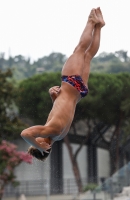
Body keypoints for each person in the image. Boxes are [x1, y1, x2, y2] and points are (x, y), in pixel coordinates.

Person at [21, 7, 105, 161]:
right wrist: (39, 146)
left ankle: (98, 26)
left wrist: (54, 97)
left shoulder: (59, 135)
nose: (36, 139)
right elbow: (25, 134)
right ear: (45, 146)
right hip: (70, 84)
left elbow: (61, 111)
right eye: (37, 143)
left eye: (36, 142)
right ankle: (91, 21)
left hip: (79, 91)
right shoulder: (50, 130)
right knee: (80, 50)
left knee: (88, 56)